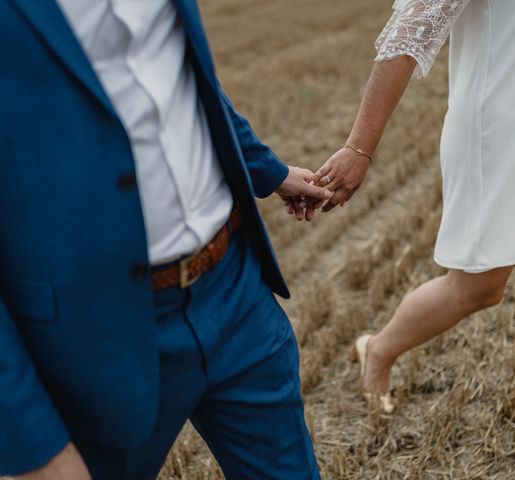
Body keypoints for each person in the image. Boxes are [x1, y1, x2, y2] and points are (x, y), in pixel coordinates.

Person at [0, 0, 331, 478]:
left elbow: (173, 73)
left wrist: (268, 170)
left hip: (236, 293)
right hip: (89, 340)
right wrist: (33, 447)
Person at [311, 0, 515, 448]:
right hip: (501, 131)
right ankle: (378, 348)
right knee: (480, 286)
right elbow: (414, 24)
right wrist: (359, 147)